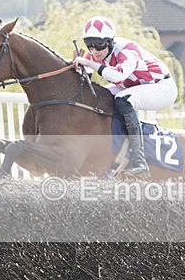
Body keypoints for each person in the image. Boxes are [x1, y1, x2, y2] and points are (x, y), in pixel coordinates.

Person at [74, 16, 177, 178]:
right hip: (133, 86)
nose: (93, 51)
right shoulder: (97, 52)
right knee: (100, 96)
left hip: (161, 88)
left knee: (123, 100)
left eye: (98, 45)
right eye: (89, 45)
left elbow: (117, 76)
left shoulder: (127, 50)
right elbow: (85, 73)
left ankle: (139, 160)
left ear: (110, 42)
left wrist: (89, 64)